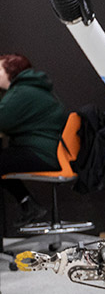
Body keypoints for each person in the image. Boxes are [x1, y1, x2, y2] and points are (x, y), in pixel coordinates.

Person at [0, 54, 67, 227]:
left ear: (11, 71)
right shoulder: (32, 89)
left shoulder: (21, 92)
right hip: (49, 151)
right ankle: (27, 203)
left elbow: (2, 120)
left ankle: (27, 203)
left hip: (42, 153)